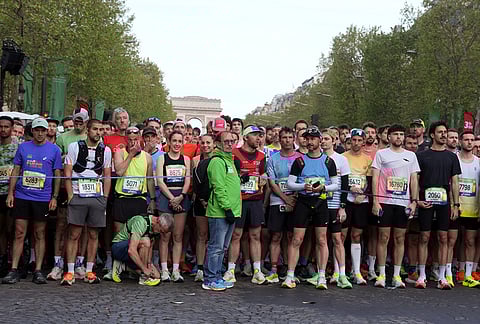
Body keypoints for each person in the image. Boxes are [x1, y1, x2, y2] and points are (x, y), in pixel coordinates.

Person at [2, 118, 62, 284]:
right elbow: (16, 170)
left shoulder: (54, 150)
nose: (41, 133)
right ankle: (13, 269)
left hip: (42, 197)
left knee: (39, 233)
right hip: (22, 195)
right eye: (37, 130)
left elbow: (58, 175)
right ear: (32, 131)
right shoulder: (23, 147)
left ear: (47, 131)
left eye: (43, 130)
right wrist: (10, 193)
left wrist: (55, 197)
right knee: (19, 232)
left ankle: (38, 270)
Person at [282, 126, 338, 289]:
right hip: (303, 202)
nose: (310, 142)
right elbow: (290, 183)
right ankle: (290, 275)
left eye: (313, 139)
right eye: (307, 139)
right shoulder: (299, 161)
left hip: (321, 201)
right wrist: (302, 187)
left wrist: (323, 188)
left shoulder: (328, 161)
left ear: (320, 140)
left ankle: (321, 276)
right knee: (296, 239)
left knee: (321, 239)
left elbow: (335, 184)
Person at [61, 119, 112, 285]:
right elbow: (67, 173)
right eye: (95, 129)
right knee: (74, 234)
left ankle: (89, 270)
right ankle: (69, 271)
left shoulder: (106, 151)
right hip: (78, 194)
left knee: (93, 234)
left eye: (100, 130)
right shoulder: (74, 147)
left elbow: (107, 176)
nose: (98, 132)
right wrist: (70, 196)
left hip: (96, 196)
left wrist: (105, 197)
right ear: (88, 130)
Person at [371, 124, 420, 289]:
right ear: (389, 137)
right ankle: (382, 274)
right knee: (383, 237)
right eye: (395, 134)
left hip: (402, 203)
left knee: (400, 238)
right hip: (385, 201)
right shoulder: (381, 154)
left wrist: (414, 201)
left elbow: (414, 179)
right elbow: (375, 178)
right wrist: (375, 201)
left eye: (401, 134)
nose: (399, 137)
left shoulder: (411, 156)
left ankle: (397, 275)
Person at [416, 121, 461, 289]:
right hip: (425, 201)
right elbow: (416, 180)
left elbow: (455, 182)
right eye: (440, 132)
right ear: (432, 135)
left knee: (443, 238)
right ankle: (421, 275)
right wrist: (416, 200)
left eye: (445, 132)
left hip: (444, 202)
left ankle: (442, 277)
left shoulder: (452, 157)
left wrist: (456, 205)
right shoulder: (422, 156)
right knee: (424, 237)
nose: (444, 135)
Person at [224, 125, 268, 285]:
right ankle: (230, 269)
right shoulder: (234, 154)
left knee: (256, 235)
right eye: (255, 135)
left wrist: (264, 178)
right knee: (236, 235)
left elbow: (263, 173)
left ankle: (257, 270)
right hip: (239, 201)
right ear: (246, 137)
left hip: (255, 199)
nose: (258, 139)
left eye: (260, 136)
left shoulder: (262, 156)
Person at [202, 131, 241, 290]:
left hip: (230, 210)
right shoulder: (218, 162)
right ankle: (210, 278)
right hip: (220, 212)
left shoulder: (229, 160)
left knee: (222, 248)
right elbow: (219, 187)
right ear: (218, 143)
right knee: (216, 247)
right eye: (226, 141)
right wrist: (227, 208)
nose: (230, 144)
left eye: (232, 141)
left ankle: (216, 276)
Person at [265, 127, 302, 284]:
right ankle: (274, 269)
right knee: (276, 235)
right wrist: (285, 198)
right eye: (284, 137)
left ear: (293, 139)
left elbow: (303, 180)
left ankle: (289, 268)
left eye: (289, 137)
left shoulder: (301, 158)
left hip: (296, 201)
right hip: (277, 200)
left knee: (291, 237)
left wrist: (293, 198)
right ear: (279, 139)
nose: (287, 140)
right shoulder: (273, 159)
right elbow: (272, 183)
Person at [316, 129, 352, 289]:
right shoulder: (316, 158)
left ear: (334, 140)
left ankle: (342, 274)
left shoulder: (341, 159)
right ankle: (321, 273)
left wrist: (342, 207)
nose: (323, 141)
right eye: (321, 139)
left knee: (338, 239)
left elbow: (345, 185)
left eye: (326, 139)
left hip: (335, 204)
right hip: (319, 205)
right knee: (321, 239)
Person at [156, 131, 191, 282]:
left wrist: (181, 196)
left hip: (181, 196)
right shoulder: (162, 158)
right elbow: (160, 180)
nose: (177, 144)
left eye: (179, 141)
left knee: (178, 236)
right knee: (165, 236)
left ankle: (176, 269)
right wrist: (172, 198)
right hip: (166, 197)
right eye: (174, 141)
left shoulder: (186, 159)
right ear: (168, 142)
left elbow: (188, 180)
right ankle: (164, 269)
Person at [343, 128, 373, 285]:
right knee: (341, 235)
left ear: (363, 142)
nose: (356, 143)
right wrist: (349, 188)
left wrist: (363, 194)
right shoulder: (342, 157)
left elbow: (369, 181)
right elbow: (340, 179)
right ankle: (339, 270)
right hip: (346, 200)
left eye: (359, 141)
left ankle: (356, 271)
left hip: (361, 201)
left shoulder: (367, 159)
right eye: (353, 140)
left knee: (356, 235)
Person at [110, 213, 174, 286]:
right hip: (118, 248)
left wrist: (149, 264)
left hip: (132, 251)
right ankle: (143, 279)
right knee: (146, 241)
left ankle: (122, 266)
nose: (161, 234)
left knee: (156, 276)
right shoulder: (141, 222)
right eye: (161, 231)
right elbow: (131, 250)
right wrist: (144, 269)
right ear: (157, 221)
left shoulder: (154, 227)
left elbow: (150, 247)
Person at [454, 131, 480, 288]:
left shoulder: (478, 162)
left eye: (472, 140)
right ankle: (459, 270)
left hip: (473, 208)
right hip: (456, 207)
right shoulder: (454, 159)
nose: (469, 143)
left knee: (470, 241)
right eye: (466, 140)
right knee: (454, 240)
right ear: (460, 142)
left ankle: (469, 274)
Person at [192, 134, 215, 282]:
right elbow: (195, 182)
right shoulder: (195, 160)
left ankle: (212, 267)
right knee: (201, 234)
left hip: (215, 202)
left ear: (214, 144)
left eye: (208, 142)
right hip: (200, 201)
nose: (205, 145)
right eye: (203, 142)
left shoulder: (218, 160)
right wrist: (201, 199)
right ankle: (200, 267)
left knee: (214, 237)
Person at [0, 116, 18, 276]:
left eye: (6, 127)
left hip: (12, 193)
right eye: (1, 127)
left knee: (11, 228)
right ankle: (2, 258)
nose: (3, 129)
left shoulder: (17, 146)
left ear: (11, 128)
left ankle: (13, 261)